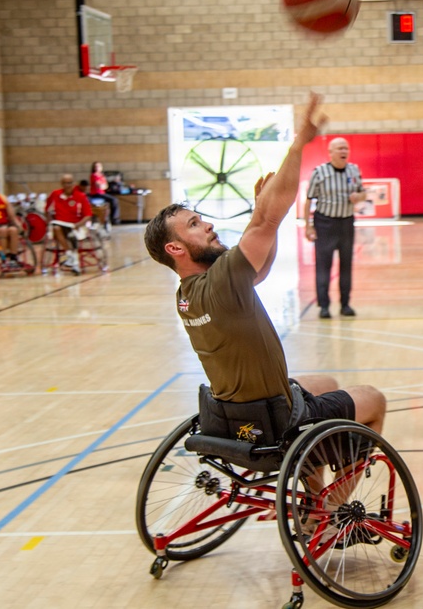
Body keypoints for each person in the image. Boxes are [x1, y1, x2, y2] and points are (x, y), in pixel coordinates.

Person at [144, 93, 386, 438]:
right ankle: (333, 495)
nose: (208, 224)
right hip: (276, 417)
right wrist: (300, 143)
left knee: (326, 382)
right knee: (373, 399)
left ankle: (312, 487)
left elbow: (256, 269)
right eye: (195, 224)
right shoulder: (222, 281)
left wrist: (260, 218)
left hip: (231, 413)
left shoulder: (189, 293)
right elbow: (267, 220)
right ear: (175, 248)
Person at [303, 137, 367, 319]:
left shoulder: (354, 170)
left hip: (346, 223)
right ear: (330, 153)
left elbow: (363, 193)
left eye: (345, 148)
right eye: (339, 148)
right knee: (324, 266)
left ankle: (345, 304)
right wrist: (308, 226)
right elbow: (309, 200)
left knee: (346, 265)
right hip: (325, 224)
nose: (343, 151)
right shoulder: (319, 172)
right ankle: (324, 306)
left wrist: (359, 196)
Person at [45, 174, 94, 275]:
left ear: (73, 183)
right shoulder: (55, 194)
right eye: (65, 183)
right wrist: (49, 220)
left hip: (76, 225)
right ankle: (70, 255)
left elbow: (88, 215)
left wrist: (79, 224)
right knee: (56, 228)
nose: (68, 185)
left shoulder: (80, 196)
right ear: (61, 184)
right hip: (59, 225)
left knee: (71, 234)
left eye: (70, 183)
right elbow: (47, 209)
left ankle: (72, 259)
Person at [89, 161, 120, 226]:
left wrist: (103, 186)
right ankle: (114, 219)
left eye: (99, 166)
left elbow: (106, 186)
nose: (97, 168)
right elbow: (99, 186)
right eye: (96, 166)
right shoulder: (94, 175)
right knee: (114, 200)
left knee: (114, 200)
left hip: (102, 193)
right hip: (96, 194)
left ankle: (113, 218)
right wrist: (102, 186)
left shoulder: (102, 175)